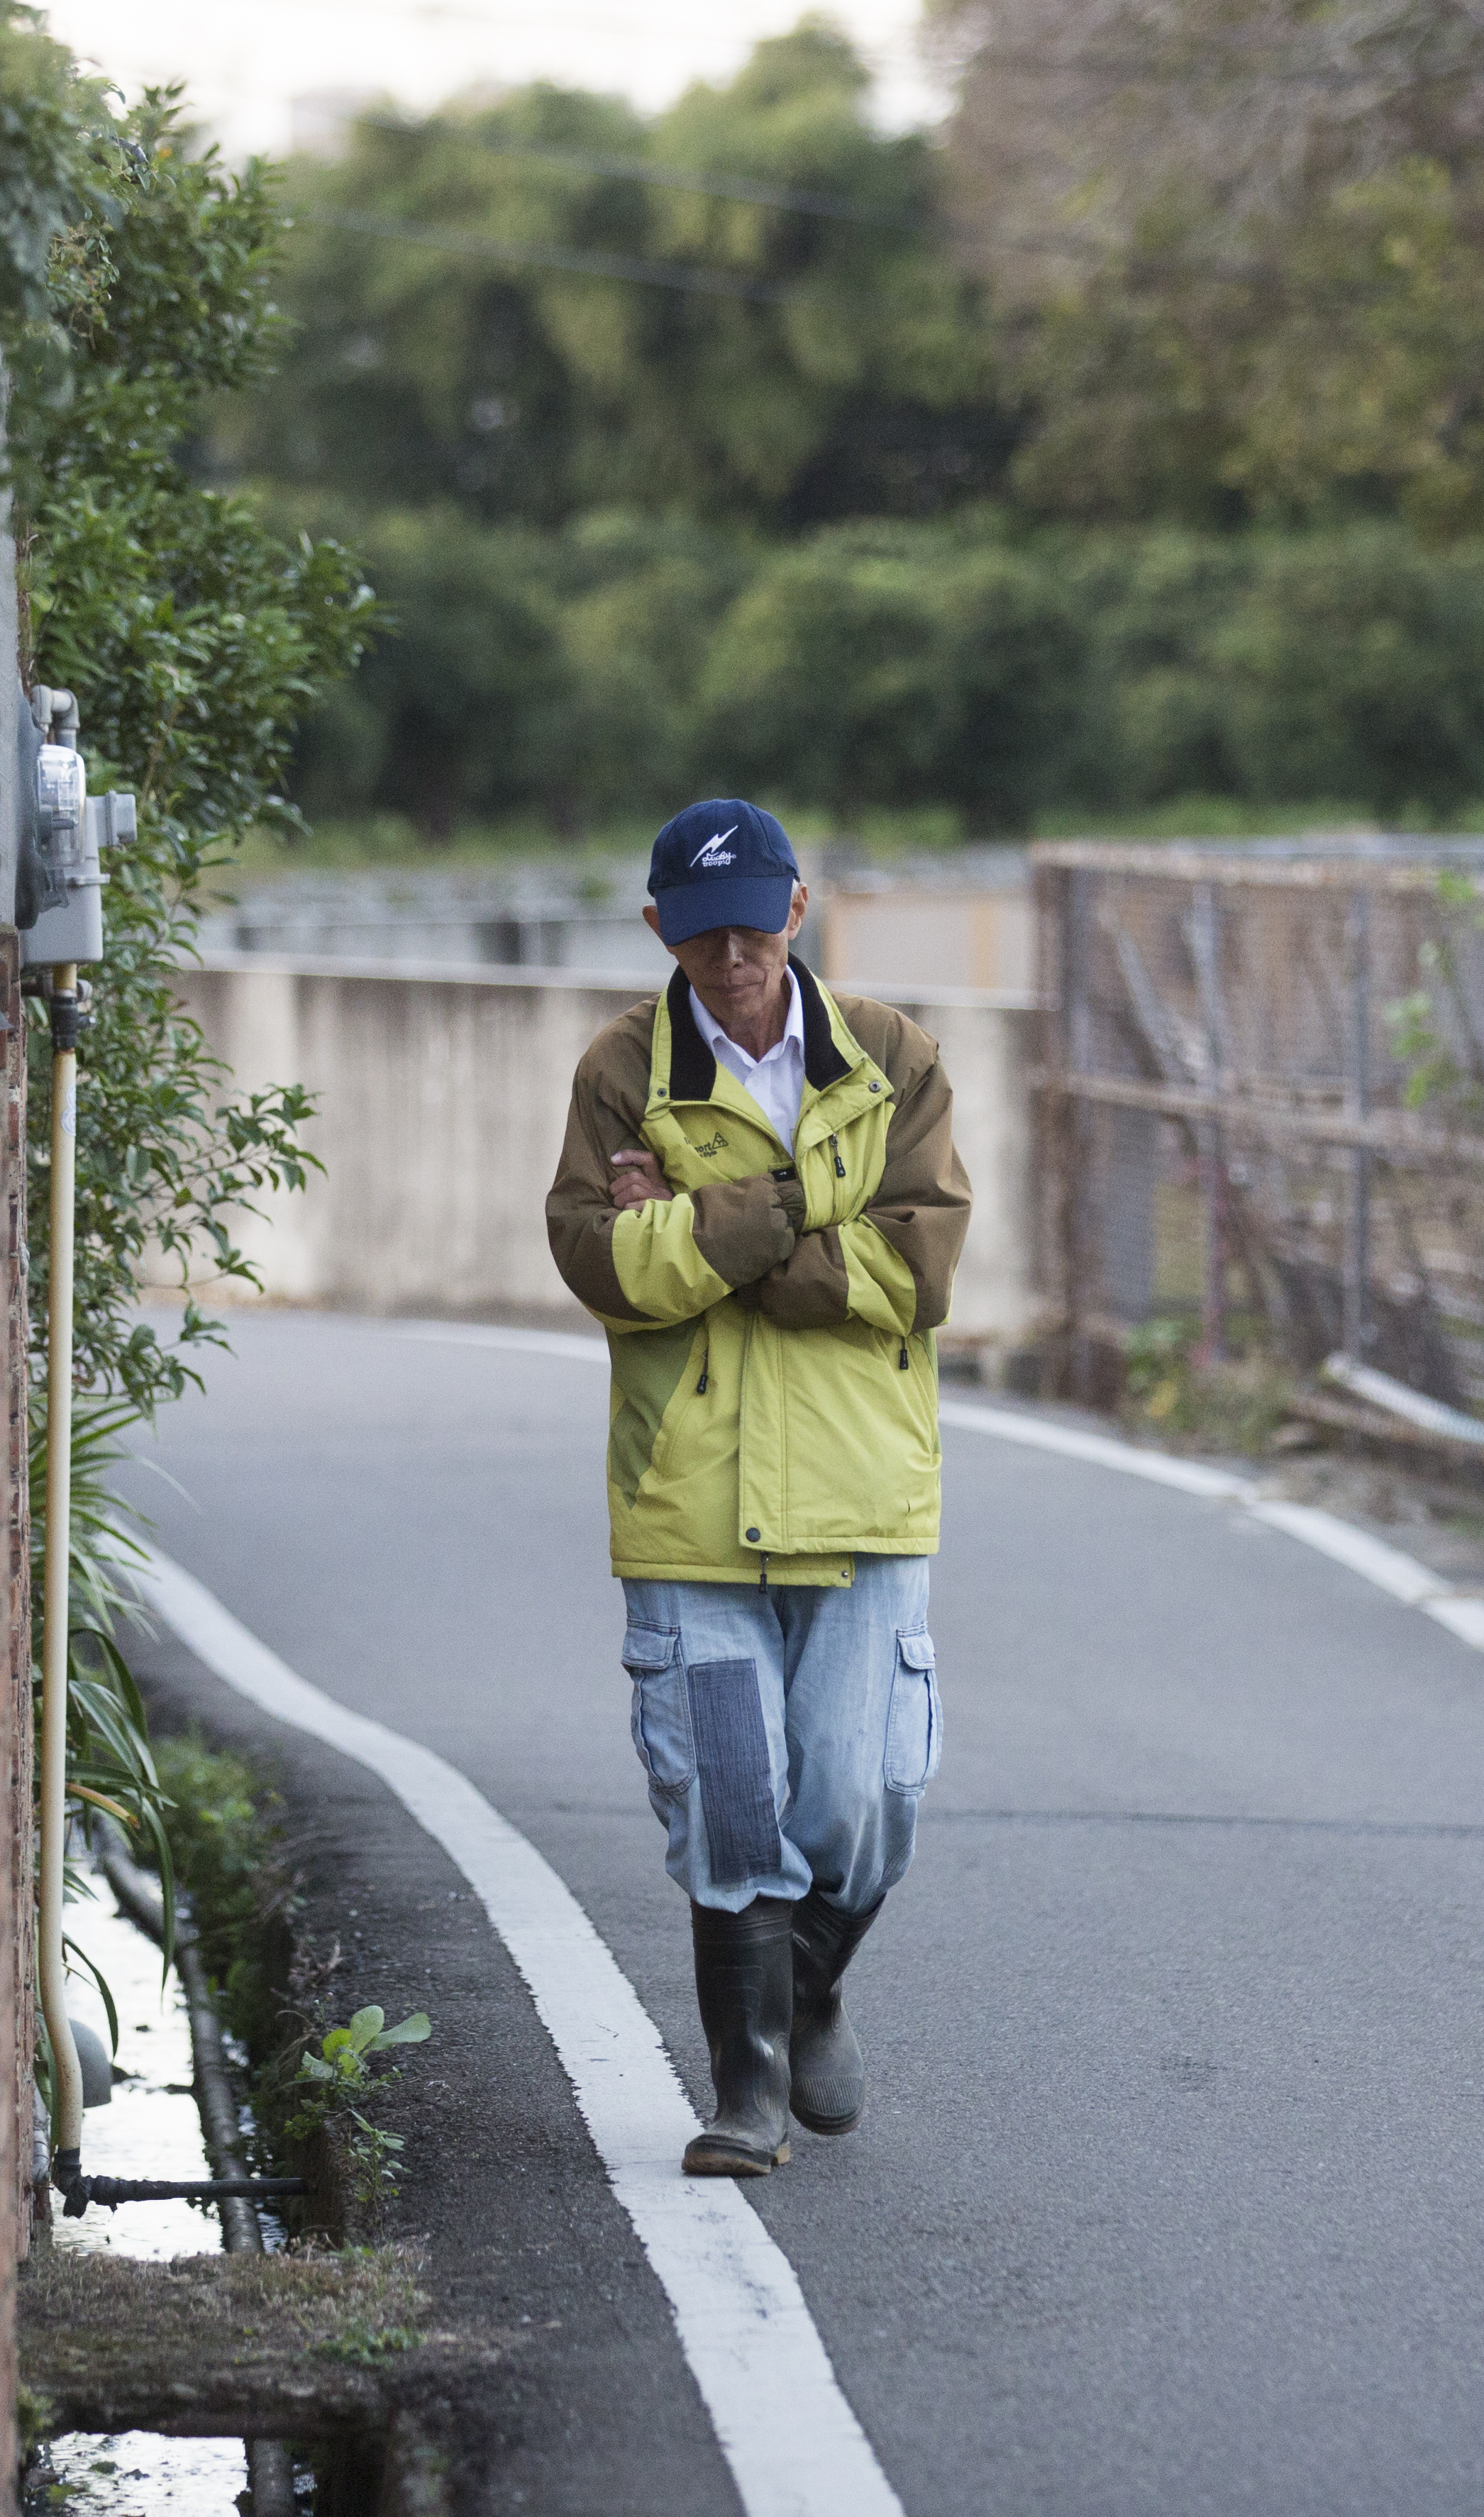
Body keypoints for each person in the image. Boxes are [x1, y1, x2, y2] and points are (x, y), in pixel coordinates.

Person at [543, 799, 970, 2178]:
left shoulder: (893, 1056)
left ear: (796, 912)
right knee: (728, 1802)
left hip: (863, 1486)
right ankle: (746, 2086)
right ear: (658, 925)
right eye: (699, 928)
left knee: (860, 1799)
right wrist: (794, 1209)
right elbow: (608, 1273)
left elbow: (920, 1273)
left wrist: (713, 1216)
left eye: (752, 923)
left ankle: (810, 1994)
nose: (729, 955)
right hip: (690, 1493)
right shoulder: (620, 1068)